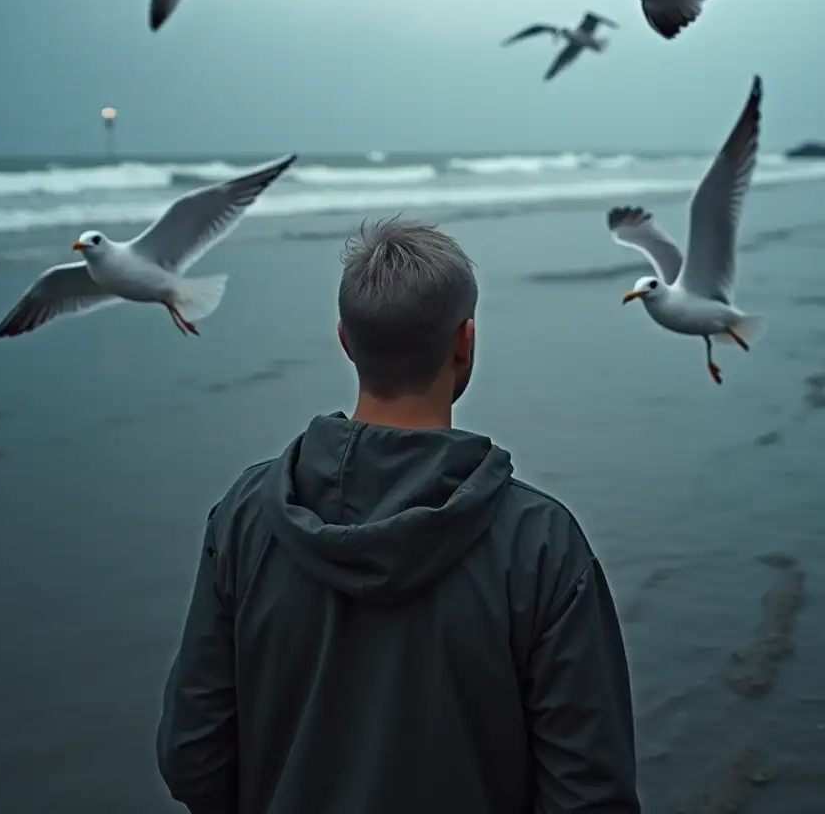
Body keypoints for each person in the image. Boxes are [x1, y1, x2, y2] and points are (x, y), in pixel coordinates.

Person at [157, 217, 641, 814]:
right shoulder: (539, 543)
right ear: (465, 340)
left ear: (344, 339)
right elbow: (590, 792)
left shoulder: (245, 517)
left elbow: (193, 755)